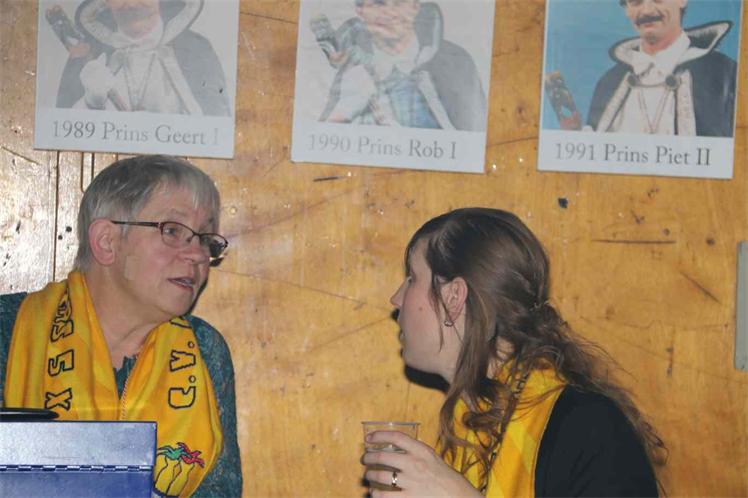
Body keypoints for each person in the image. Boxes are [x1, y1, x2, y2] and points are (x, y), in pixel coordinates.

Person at [362, 208, 665, 497]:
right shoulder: (469, 425)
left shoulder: (589, 426)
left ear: (453, 297)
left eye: (412, 279)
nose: (396, 298)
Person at [0, 155, 241, 497]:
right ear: (106, 242)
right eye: (173, 231)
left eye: (204, 238)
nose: (199, 255)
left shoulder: (205, 347)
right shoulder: (9, 326)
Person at [313, 0, 486, 130]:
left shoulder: (456, 62)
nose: (390, 12)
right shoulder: (351, 68)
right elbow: (321, 142)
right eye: (378, 3)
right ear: (360, 9)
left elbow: (476, 142)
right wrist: (345, 110)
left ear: (415, 6)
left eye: (400, 2)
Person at [586, 0, 737, 136]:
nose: (647, 11)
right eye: (635, 2)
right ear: (626, 9)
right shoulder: (609, 83)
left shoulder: (725, 75)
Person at [54, 0, 230, 115]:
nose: (131, 3)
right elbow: (64, 131)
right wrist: (91, 102)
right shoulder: (87, 54)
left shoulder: (196, 50)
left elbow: (216, 128)